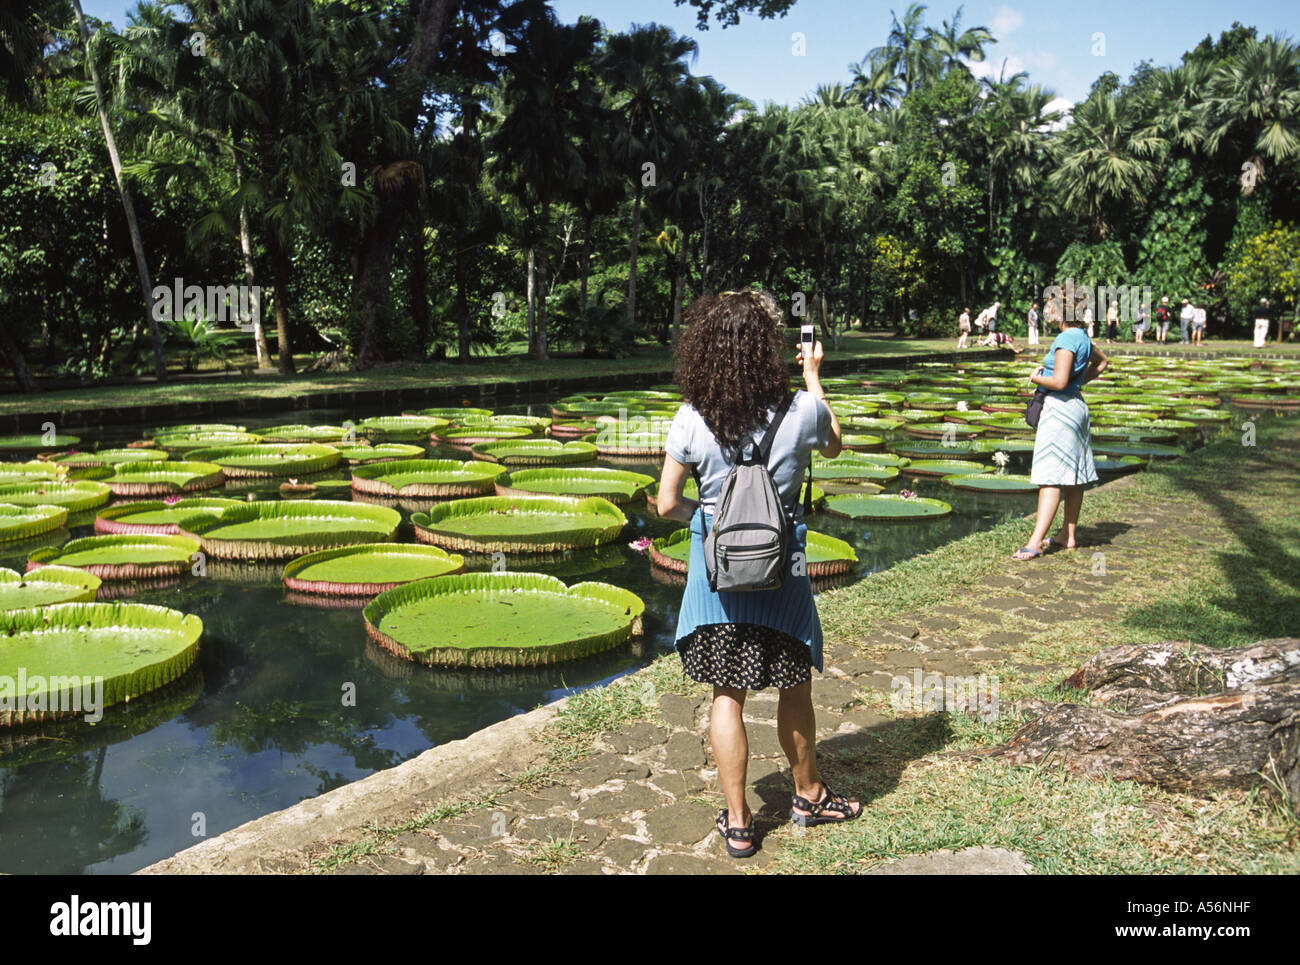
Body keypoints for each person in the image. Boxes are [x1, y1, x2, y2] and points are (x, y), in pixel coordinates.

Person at [657, 288, 859, 857]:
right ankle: (809, 794)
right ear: (767, 348)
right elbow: (837, 447)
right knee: (795, 682)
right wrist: (814, 377)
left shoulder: (692, 418)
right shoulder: (802, 410)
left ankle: (740, 822)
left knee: (729, 692)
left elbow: (666, 502)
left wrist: (712, 521)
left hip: (718, 574)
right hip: (785, 568)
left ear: (705, 349)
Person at [1013, 310, 1109, 560]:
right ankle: (1068, 534)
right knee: (1073, 476)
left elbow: (1059, 381)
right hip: (1076, 407)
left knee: (1050, 477)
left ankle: (1034, 543)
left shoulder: (1066, 339)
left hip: (1059, 411)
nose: (1046, 311)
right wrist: (1078, 384)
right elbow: (1102, 363)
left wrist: (1035, 377)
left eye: (1049, 305)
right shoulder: (1084, 338)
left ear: (1061, 310)